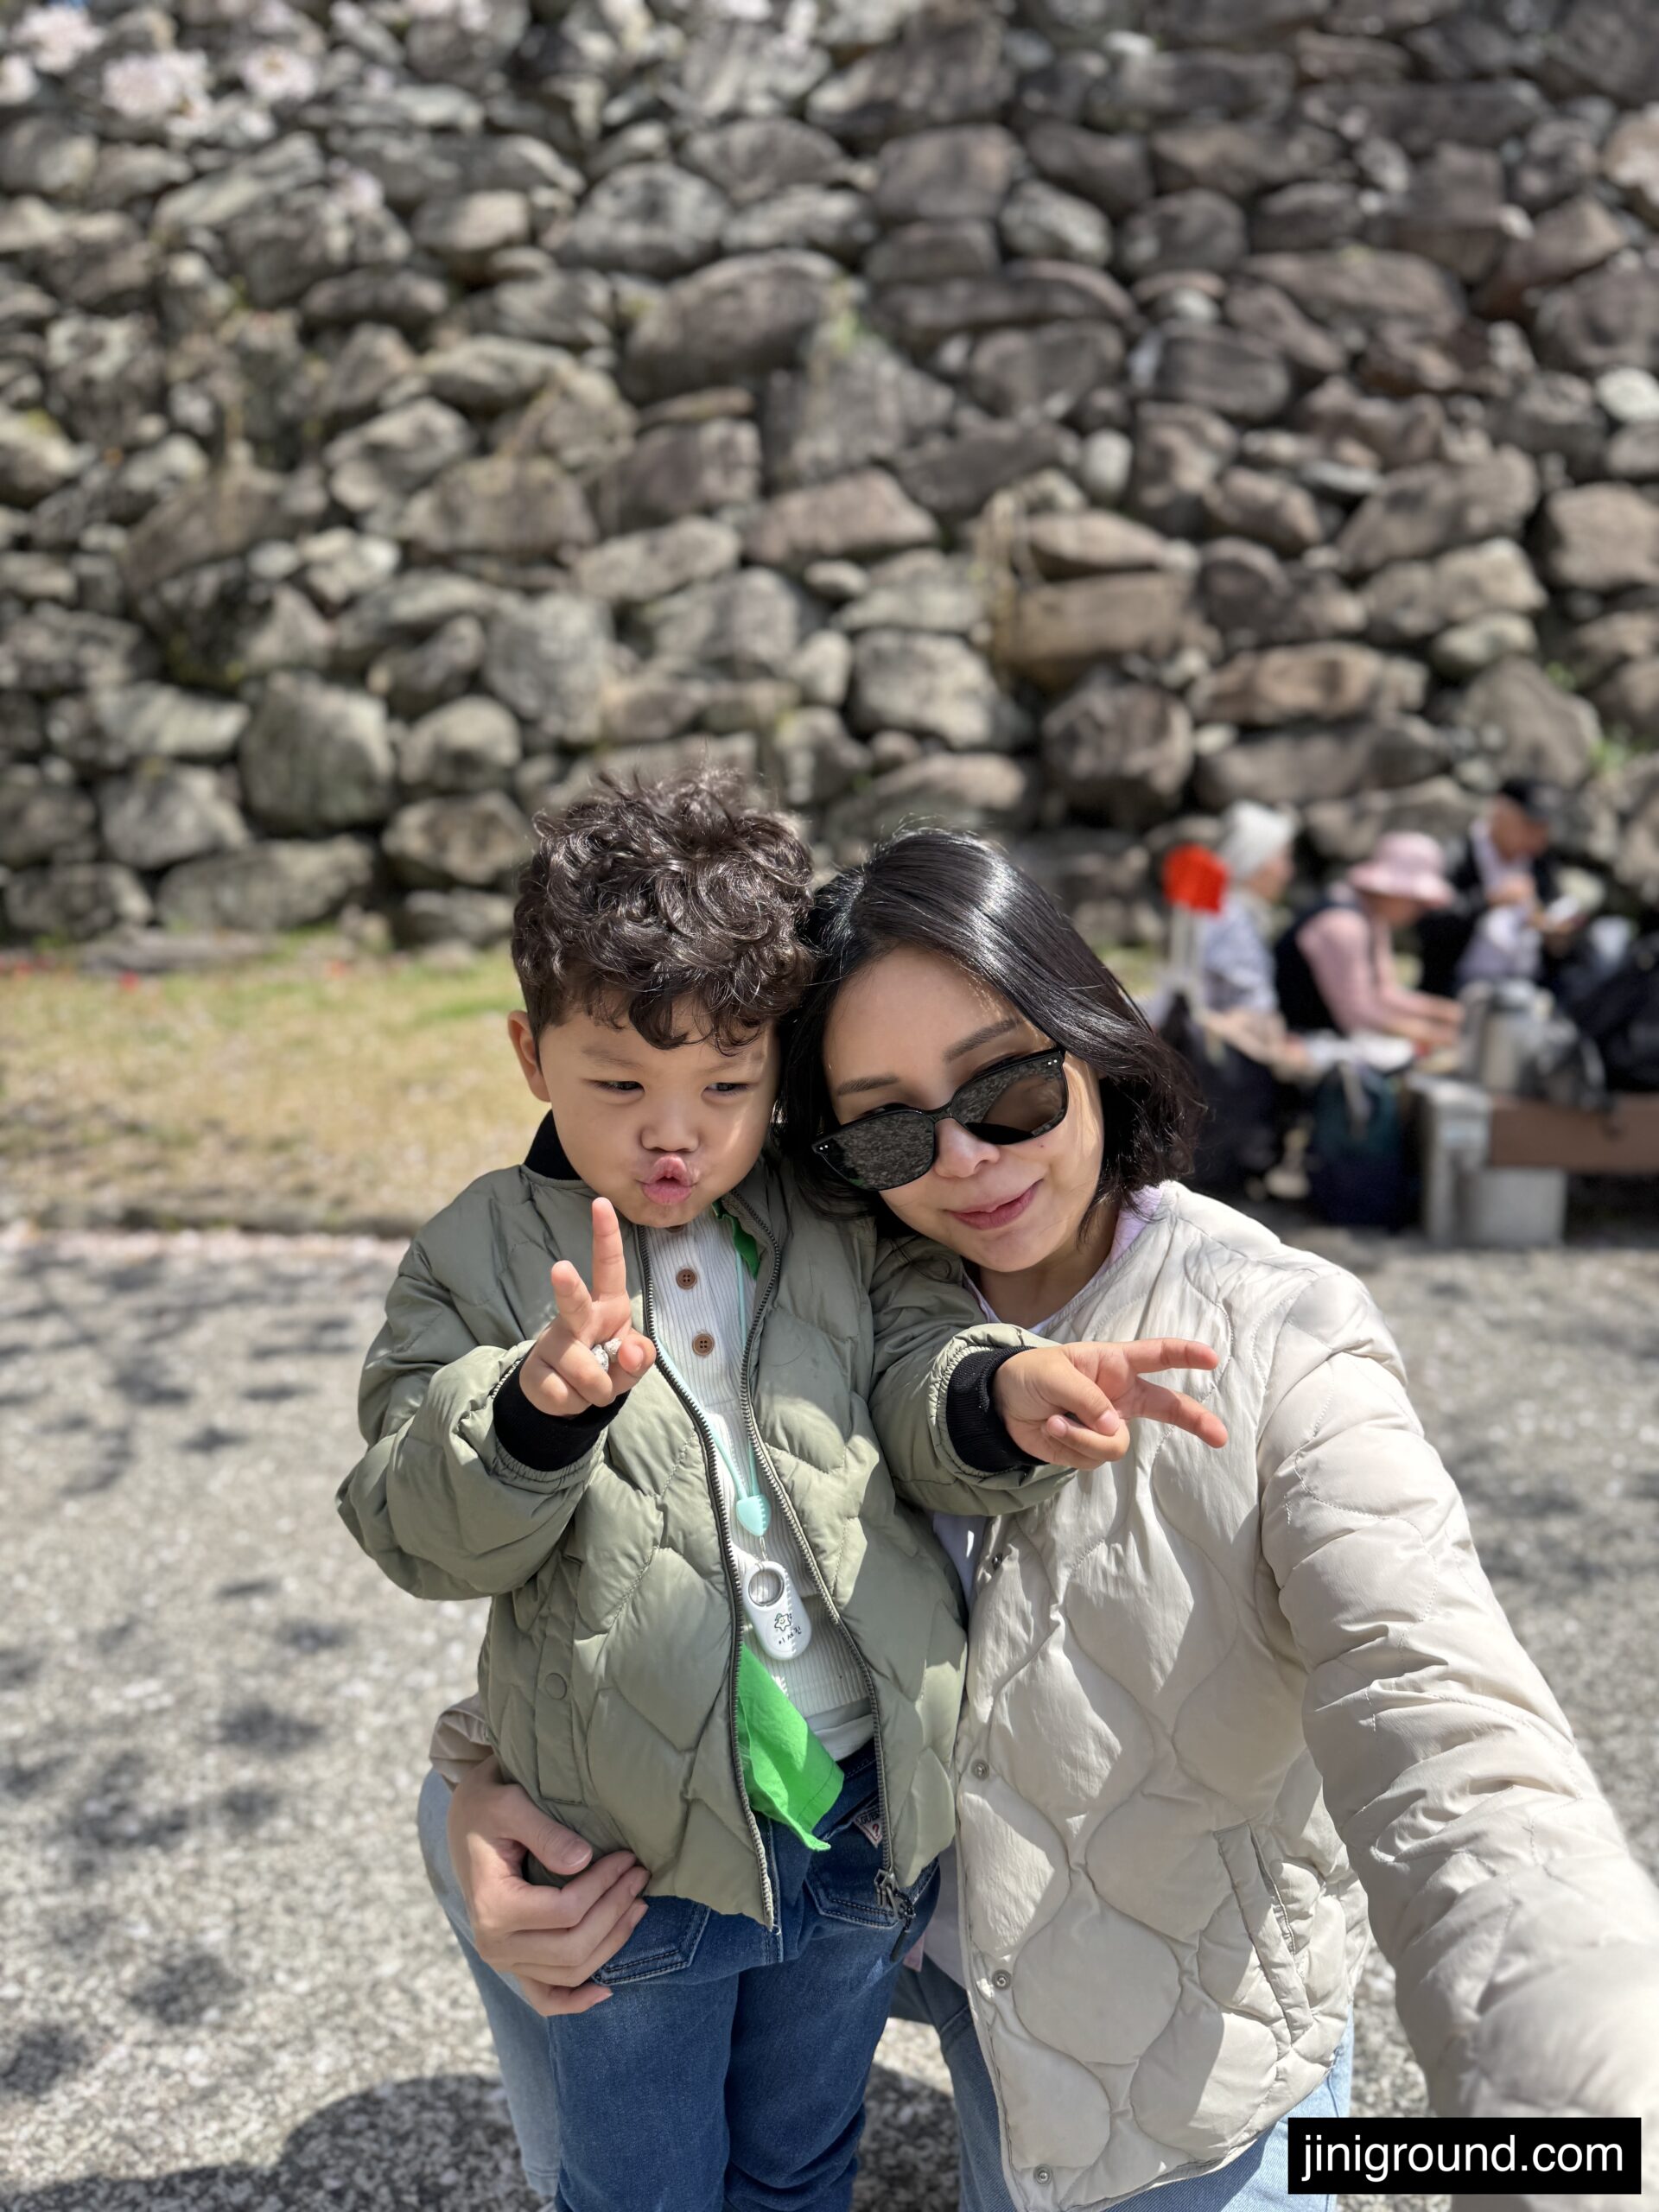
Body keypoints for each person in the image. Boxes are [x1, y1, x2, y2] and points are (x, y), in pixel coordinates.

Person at [434, 828, 1659, 2212]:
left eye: (1007, 1088)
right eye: (888, 1124)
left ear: (1090, 1039)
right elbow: (640, 1572)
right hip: (889, 1930)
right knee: (462, 1822)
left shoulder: (1277, 1340)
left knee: (1370, 2168)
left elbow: (1444, 1717)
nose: (963, 1158)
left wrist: (1587, 2102)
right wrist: (482, 1786)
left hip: (1157, 2070)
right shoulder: (819, 1301)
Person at [341, 779, 1220, 2212]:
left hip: (861, 1823)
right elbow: (403, 1520)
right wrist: (528, 1416)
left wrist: (997, 1397)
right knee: (644, 2177)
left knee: (808, 2154)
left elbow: (922, 1356)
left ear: (782, 1069)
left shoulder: (830, 1219)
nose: (673, 1134)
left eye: (729, 1086)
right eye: (619, 1083)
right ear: (529, 1052)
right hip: (634, 1854)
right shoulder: (475, 1258)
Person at [1274, 830, 1464, 1052]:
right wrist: (1435, 1034)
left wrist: (1445, 1013)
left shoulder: (1373, 919)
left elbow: (1385, 993)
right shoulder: (1344, 926)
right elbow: (1356, 1015)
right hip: (1300, 1045)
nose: (1420, 912)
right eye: (1418, 902)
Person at [1415, 778, 1576, 1000]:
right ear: (1500, 812)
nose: (1539, 836)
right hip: (1461, 987)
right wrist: (1490, 900)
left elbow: (1556, 917)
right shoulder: (1458, 855)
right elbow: (1431, 924)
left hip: (1529, 985)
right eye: (1531, 824)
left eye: (1544, 827)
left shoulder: (1540, 864)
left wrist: (1553, 930)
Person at [1199, 800, 1298, 1018]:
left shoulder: (1224, 909)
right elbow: (1253, 1007)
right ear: (1255, 858)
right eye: (1283, 858)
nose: (1288, 873)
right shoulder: (1231, 918)